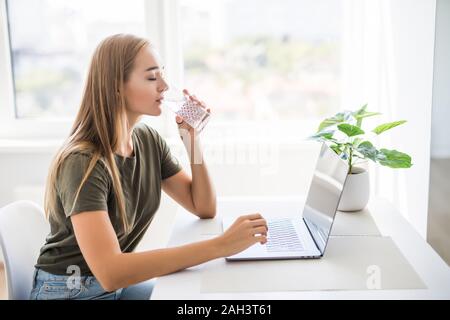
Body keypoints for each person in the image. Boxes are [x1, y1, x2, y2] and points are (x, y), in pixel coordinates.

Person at [29, 34, 268, 300]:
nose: (164, 86)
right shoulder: (83, 163)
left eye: (162, 75)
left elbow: (202, 206)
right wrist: (220, 246)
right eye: (152, 77)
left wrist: (191, 140)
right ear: (117, 86)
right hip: (70, 291)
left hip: (113, 287)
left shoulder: (147, 140)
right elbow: (110, 271)